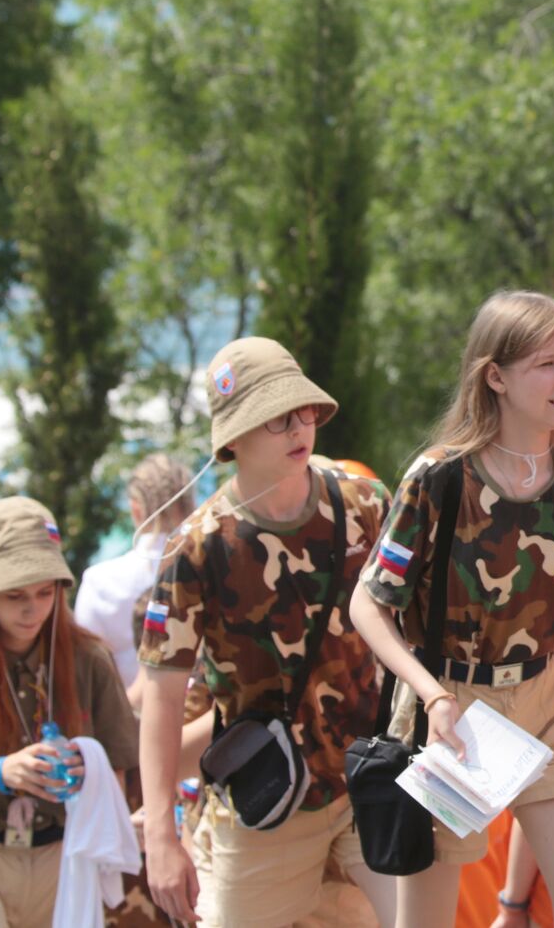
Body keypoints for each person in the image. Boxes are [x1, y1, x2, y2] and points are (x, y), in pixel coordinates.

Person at [350, 290, 554, 928]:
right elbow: (368, 606)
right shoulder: (438, 478)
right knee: (430, 920)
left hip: (550, 705)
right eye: (548, 364)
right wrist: (430, 695)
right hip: (455, 719)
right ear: (496, 375)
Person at [138, 336, 397, 927]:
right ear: (234, 438)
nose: (299, 427)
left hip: (372, 782)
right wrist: (160, 834)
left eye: (304, 411)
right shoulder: (197, 547)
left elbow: (415, 626)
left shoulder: (364, 504)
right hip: (266, 803)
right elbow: (162, 696)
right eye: (277, 418)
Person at [0, 497, 138, 926]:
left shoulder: (88, 659)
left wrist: (89, 775)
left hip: (62, 860)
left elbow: (122, 779)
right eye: (14, 595)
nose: (33, 609)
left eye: (47, 592)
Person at [74, 453, 196, 702]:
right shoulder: (211, 568)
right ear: (190, 504)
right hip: (206, 723)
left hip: (127, 723)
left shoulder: (99, 580)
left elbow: (85, 675)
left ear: (135, 509)